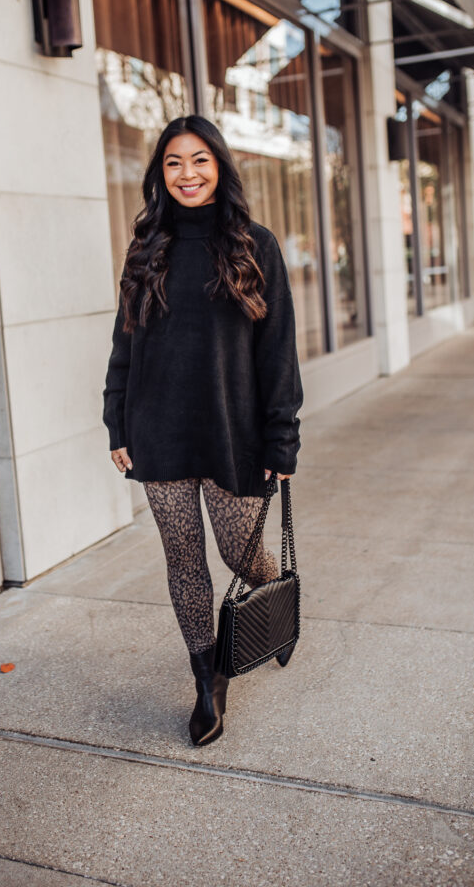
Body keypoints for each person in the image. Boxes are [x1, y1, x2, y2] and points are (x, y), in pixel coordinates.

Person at [102, 115, 303, 747]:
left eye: (199, 161)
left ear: (219, 166)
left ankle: (274, 604)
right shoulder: (147, 245)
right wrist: (116, 420)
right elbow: (124, 345)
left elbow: (278, 351)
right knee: (184, 559)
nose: (187, 174)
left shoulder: (253, 244)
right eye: (173, 163)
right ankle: (207, 685)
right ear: (160, 173)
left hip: (230, 429)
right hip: (157, 430)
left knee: (239, 549)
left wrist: (281, 438)